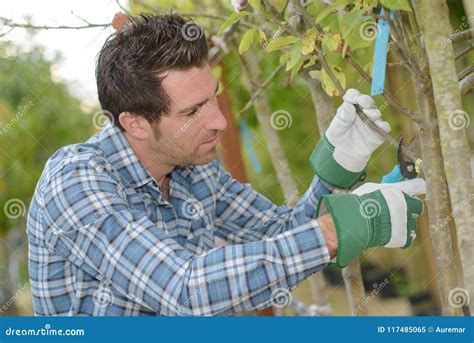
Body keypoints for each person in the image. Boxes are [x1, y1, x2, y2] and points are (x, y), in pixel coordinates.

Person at [27, 13, 425, 316]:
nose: (219, 120)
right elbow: (186, 290)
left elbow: (280, 236)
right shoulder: (76, 181)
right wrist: (336, 229)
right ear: (135, 123)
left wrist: (337, 170)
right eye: (193, 111)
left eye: (212, 97)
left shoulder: (194, 171)